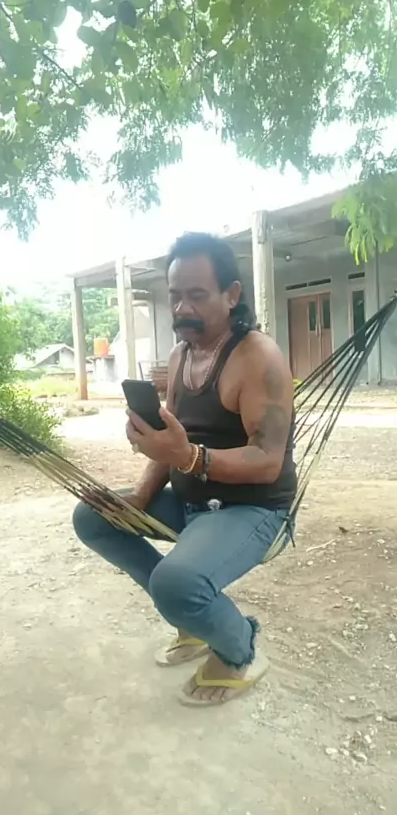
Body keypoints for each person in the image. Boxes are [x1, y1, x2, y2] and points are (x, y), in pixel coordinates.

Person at [73, 232, 296, 707]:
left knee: (176, 582)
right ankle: (191, 622)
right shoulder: (180, 355)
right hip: (192, 501)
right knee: (94, 516)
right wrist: (139, 497)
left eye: (196, 295)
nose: (182, 308)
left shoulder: (258, 358)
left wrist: (188, 458)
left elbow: (267, 460)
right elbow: (173, 438)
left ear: (231, 295)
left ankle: (240, 649)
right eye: (175, 295)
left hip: (251, 508)